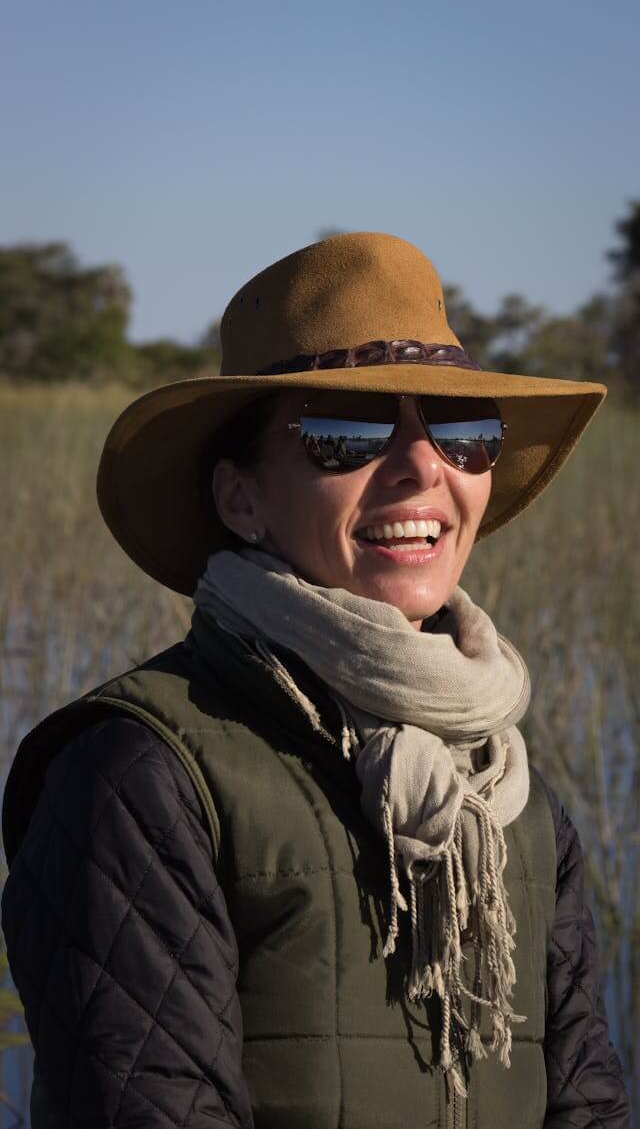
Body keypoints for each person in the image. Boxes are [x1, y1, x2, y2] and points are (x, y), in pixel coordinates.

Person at [1, 232, 631, 1129]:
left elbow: (589, 1102)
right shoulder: (138, 773)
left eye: (463, 431)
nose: (423, 468)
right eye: (348, 433)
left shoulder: (514, 796)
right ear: (241, 499)